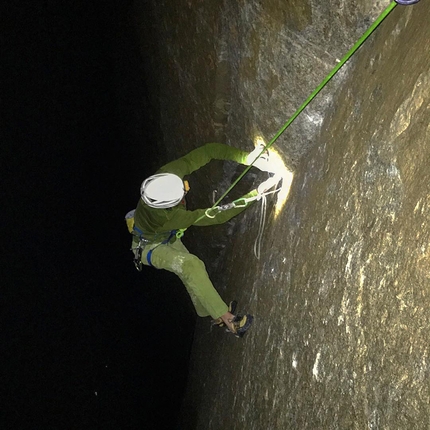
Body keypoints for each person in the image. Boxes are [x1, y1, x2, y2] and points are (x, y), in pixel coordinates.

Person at [126, 143, 279, 338]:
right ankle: (228, 320)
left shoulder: (167, 174)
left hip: (166, 236)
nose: (185, 189)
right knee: (191, 266)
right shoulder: (167, 218)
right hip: (149, 248)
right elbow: (217, 216)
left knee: (189, 273)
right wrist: (255, 194)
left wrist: (248, 158)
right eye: (181, 194)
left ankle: (205, 310)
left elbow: (209, 151)